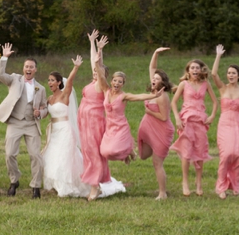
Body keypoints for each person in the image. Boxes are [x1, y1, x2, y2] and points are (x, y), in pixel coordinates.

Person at [0, 43, 49, 199]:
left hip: (31, 123)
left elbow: (45, 108)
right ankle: (14, 180)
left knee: (35, 155)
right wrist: (4, 57)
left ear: (35, 70)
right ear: (23, 68)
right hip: (15, 122)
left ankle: (36, 186)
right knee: (9, 154)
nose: (28, 69)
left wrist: (40, 112)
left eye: (31, 67)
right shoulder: (15, 79)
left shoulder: (41, 88)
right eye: (26, 66)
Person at [41, 56, 91, 197]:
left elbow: (69, 81)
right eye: (49, 80)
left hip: (65, 130)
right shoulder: (49, 99)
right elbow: (45, 113)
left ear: (58, 83)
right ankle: (53, 185)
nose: (49, 82)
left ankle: (66, 186)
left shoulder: (64, 96)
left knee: (64, 158)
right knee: (52, 155)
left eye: (52, 80)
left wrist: (75, 67)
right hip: (54, 132)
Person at [96, 61, 162, 167]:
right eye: (115, 80)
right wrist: (96, 62)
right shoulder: (106, 90)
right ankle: (127, 152)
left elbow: (139, 96)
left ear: (123, 84)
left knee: (114, 150)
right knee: (105, 152)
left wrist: (153, 96)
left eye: (120, 82)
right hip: (109, 127)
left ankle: (129, 151)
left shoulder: (124, 96)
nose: (117, 83)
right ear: (111, 81)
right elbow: (100, 75)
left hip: (121, 126)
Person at [170, 58, 217, 197]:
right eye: (192, 68)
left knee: (200, 151)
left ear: (201, 70)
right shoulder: (183, 84)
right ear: (188, 71)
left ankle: (198, 183)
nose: (195, 70)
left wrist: (212, 116)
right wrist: (177, 118)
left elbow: (215, 102)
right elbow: (174, 102)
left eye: (197, 68)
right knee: (186, 151)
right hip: (186, 120)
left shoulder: (205, 84)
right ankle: (185, 183)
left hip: (201, 121)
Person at [211, 45, 239, 199]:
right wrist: (218, 56)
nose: (230, 75)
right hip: (225, 124)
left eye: (233, 73)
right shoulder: (223, 89)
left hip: (238, 124)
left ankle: (235, 185)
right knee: (226, 154)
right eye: (229, 73)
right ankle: (221, 187)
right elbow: (214, 74)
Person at [137, 47, 176, 200]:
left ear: (163, 82)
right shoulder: (153, 91)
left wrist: (149, 112)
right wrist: (155, 53)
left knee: (157, 162)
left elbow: (164, 117)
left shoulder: (162, 96)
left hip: (162, 130)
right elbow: (152, 68)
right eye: (153, 78)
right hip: (149, 130)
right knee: (143, 155)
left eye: (157, 79)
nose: (154, 79)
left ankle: (162, 193)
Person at [78, 31, 111, 201]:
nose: (94, 71)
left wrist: (100, 52)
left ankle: (95, 185)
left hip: (95, 123)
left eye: (97, 71)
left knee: (94, 153)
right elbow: (94, 63)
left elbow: (98, 65)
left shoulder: (103, 85)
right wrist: (92, 43)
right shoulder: (93, 82)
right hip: (85, 122)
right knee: (87, 152)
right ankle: (93, 183)